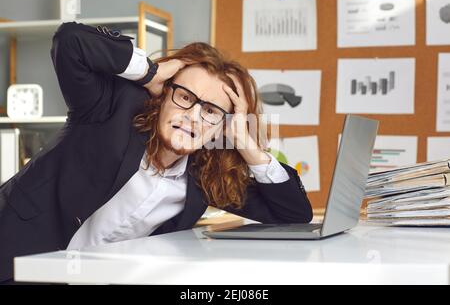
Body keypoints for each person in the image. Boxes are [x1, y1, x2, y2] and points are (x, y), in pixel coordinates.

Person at [0, 22, 312, 283]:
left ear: (222, 126)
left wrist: (246, 143)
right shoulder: (109, 110)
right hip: (13, 252)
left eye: (211, 111)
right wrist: (149, 72)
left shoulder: (205, 178)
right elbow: (70, 42)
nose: (193, 116)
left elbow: (294, 217)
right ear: (162, 97)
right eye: (185, 97)